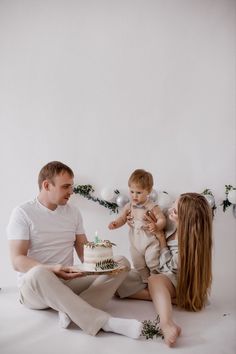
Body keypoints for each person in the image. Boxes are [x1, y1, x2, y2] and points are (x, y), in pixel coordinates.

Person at [7, 161, 143, 339]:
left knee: (121, 262)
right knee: (37, 272)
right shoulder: (23, 213)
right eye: (65, 187)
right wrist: (52, 269)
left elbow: (83, 253)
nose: (71, 191)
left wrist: (99, 254)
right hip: (36, 287)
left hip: (68, 279)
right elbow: (17, 260)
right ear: (47, 185)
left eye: (71, 186)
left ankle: (71, 312)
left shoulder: (73, 213)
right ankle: (105, 322)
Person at [117, 192, 213, 347]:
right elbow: (152, 214)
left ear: (187, 221)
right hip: (155, 272)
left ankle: (167, 323)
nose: (170, 211)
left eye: (174, 212)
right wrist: (134, 218)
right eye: (173, 205)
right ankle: (173, 299)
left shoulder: (190, 245)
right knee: (118, 279)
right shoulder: (170, 222)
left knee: (155, 280)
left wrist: (161, 238)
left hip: (175, 279)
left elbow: (167, 267)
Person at [108, 169, 168, 283]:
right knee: (137, 262)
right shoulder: (129, 206)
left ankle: (155, 278)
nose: (134, 196)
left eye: (139, 192)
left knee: (152, 260)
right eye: (131, 191)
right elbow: (122, 218)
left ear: (148, 191)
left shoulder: (152, 206)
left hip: (150, 241)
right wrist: (115, 224)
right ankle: (145, 280)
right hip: (135, 242)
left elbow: (162, 219)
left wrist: (157, 225)